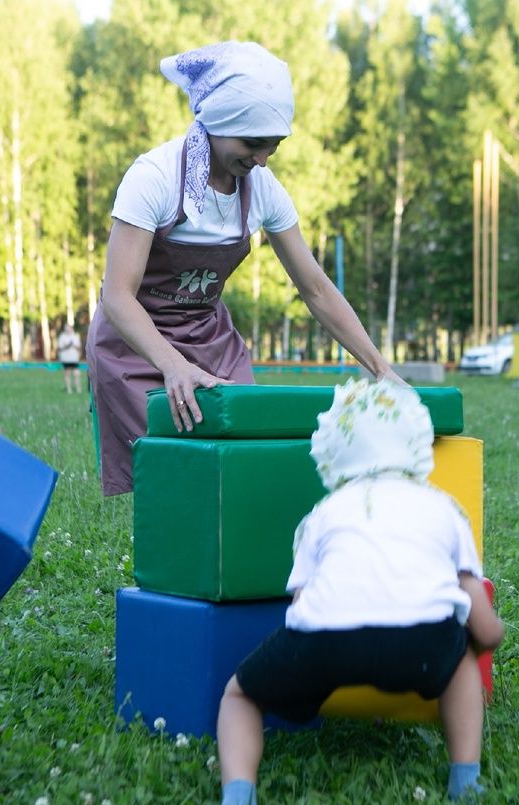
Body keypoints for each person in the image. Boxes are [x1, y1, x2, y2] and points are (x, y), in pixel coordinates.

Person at [86, 40, 397, 496]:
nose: (263, 159)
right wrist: (173, 366)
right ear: (218, 122)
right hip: (138, 344)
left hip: (209, 338)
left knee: (244, 462)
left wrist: (379, 368)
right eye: (253, 143)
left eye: (274, 145)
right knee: (175, 479)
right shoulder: (152, 178)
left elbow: (315, 288)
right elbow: (117, 296)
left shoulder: (263, 189)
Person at [215, 378, 505, 805]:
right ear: (418, 443)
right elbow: (476, 611)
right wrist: (488, 636)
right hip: (421, 641)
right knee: (461, 664)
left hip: (325, 642)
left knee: (240, 696)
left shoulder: (322, 514)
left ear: (331, 453)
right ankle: (465, 780)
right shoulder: (444, 508)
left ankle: (238, 796)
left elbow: (300, 604)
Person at [56, 321, 83, 394]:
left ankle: (78, 389)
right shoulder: (62, 337)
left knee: (77, 374)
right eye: (66, 328)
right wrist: (67, 345)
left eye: (68, 328)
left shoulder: (75, 336)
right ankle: (69, 389)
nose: (67, 329)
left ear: (71, 328)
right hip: (66, 359)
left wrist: (74, 346)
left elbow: (79, 347)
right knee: (67, 374)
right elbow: (60, 348)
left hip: (74, 359)